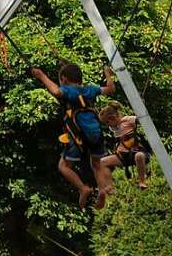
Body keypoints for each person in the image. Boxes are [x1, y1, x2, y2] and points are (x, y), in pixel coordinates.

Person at [32, 63, 116, 209]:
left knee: (63, 166)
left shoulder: (68, 90)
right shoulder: (89, 89)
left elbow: (56, 92)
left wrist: (41, 76)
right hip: (96, 134)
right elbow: (110, 89)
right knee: (96, 164)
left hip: (78, 135)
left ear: (64, 79)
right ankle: (102, 189)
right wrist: (107, 73)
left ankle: (82, 188)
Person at [100, 102, 149, 189]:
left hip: (136, 151)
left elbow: (140, 119)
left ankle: (142, 181)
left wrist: (141, 107)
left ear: (113, 118)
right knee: (102, 162)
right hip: (122, 155)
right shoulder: (113, 127)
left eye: (107, 122)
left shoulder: (127, 120)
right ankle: (109, 186)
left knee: (139, 156)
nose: (108, 126)